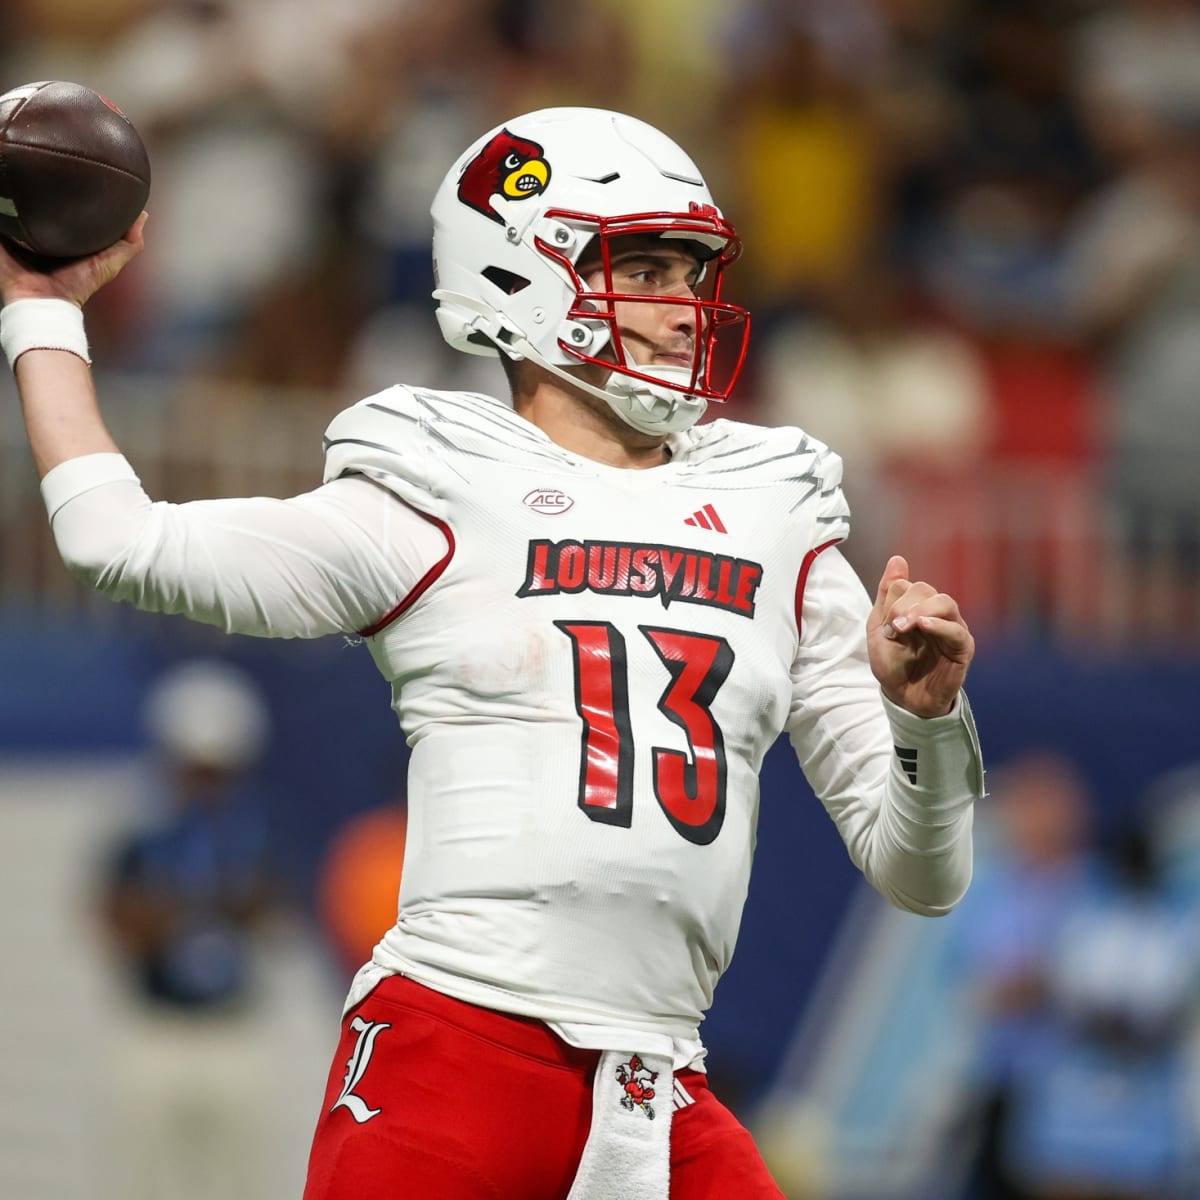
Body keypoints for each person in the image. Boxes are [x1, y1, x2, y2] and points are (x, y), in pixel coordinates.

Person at [0, 106, 984, 1200]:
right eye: (643, 266)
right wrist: (43, 317)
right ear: (522, 276)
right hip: (456, 1052)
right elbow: (117, 537)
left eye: (690, 272)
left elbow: (922, 873)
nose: (681, 307)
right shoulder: (438, 481)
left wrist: (927, 722)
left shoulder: (774, 503)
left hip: (662, 1085)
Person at [100, 659, 283, 1200]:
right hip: (157, 1026)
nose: (206, 781)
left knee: (240, 1180)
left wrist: (179, 905)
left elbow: (271, 910)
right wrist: (207, 903)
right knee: (146, 1180)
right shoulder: (139, 829)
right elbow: (119, 921)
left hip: (233, 1028)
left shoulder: (257, 828)